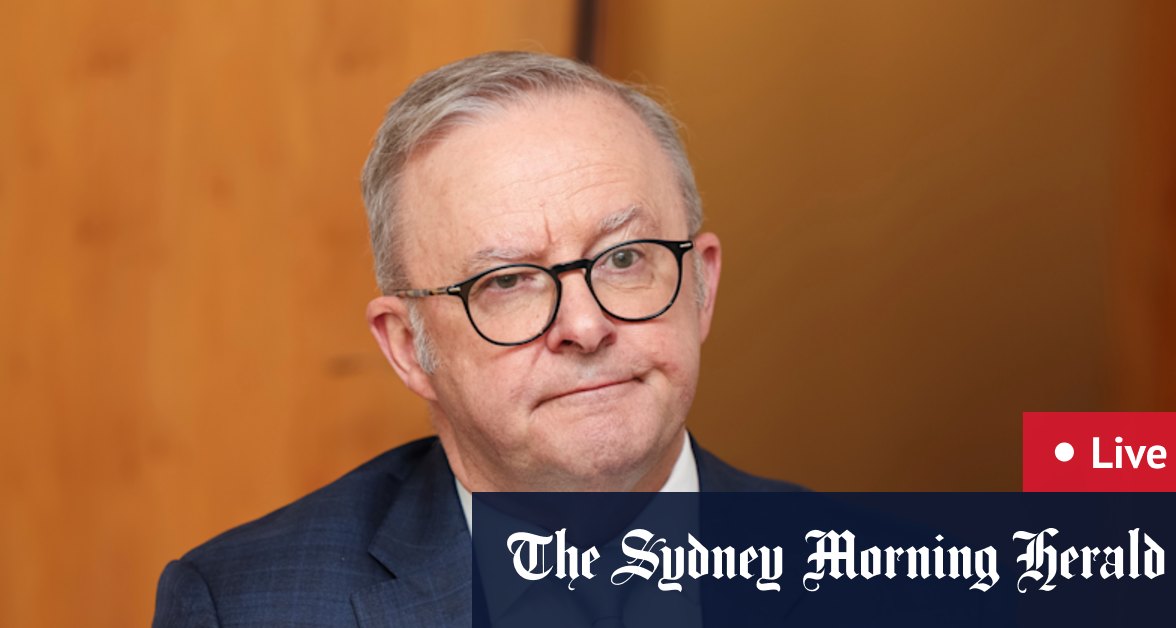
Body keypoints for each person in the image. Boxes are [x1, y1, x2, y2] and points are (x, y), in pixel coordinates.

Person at [152, 50, 796, 628]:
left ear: (701, 286)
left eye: (624, 259)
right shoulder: (247, 608)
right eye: (508, 281)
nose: (584, 327)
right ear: (408, 348)